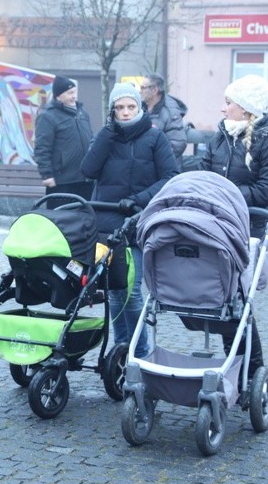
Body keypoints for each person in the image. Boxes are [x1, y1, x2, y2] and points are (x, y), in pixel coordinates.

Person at [199, 74, 268, 379]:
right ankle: (236, 367)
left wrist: (226, 195)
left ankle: (251, 371)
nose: (223, 109)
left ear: (247, 108)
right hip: (214, 225)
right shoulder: (221, 135)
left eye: (229, 102)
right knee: (221, 299)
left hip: (248, 226)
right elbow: (204, 170)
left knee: (238, 301)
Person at [80, 82, 179, 358]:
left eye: (130, 106)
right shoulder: (106, 135)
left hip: (138, 221)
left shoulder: (154, 138)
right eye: (119, 107)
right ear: (113, 110)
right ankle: (121, 352)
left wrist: (139, 199)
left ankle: (140, 351)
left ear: (139, 107)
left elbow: (171, 176)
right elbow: (88, 170)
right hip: (107, 223)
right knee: (114, 291)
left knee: (131, 291)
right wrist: (106, 136)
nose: (125, 112)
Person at [34, 75, 94, 205]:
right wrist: (47, 175)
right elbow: (42, 147)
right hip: (62, 181)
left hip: (85, 180)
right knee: (61, 219)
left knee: (86, 218)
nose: (74, 96)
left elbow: (91, 140)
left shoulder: (83, 114)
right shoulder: (48, 117)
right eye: (69, 93)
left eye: (74, 92)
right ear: (58, 96)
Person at [139, 73, 188, 160]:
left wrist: (153, 158)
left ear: (154, 90)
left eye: (143, 88)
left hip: (163, 167)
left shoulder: (171, 111)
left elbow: (178, 144)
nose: (140, 91)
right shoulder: (139, 108)